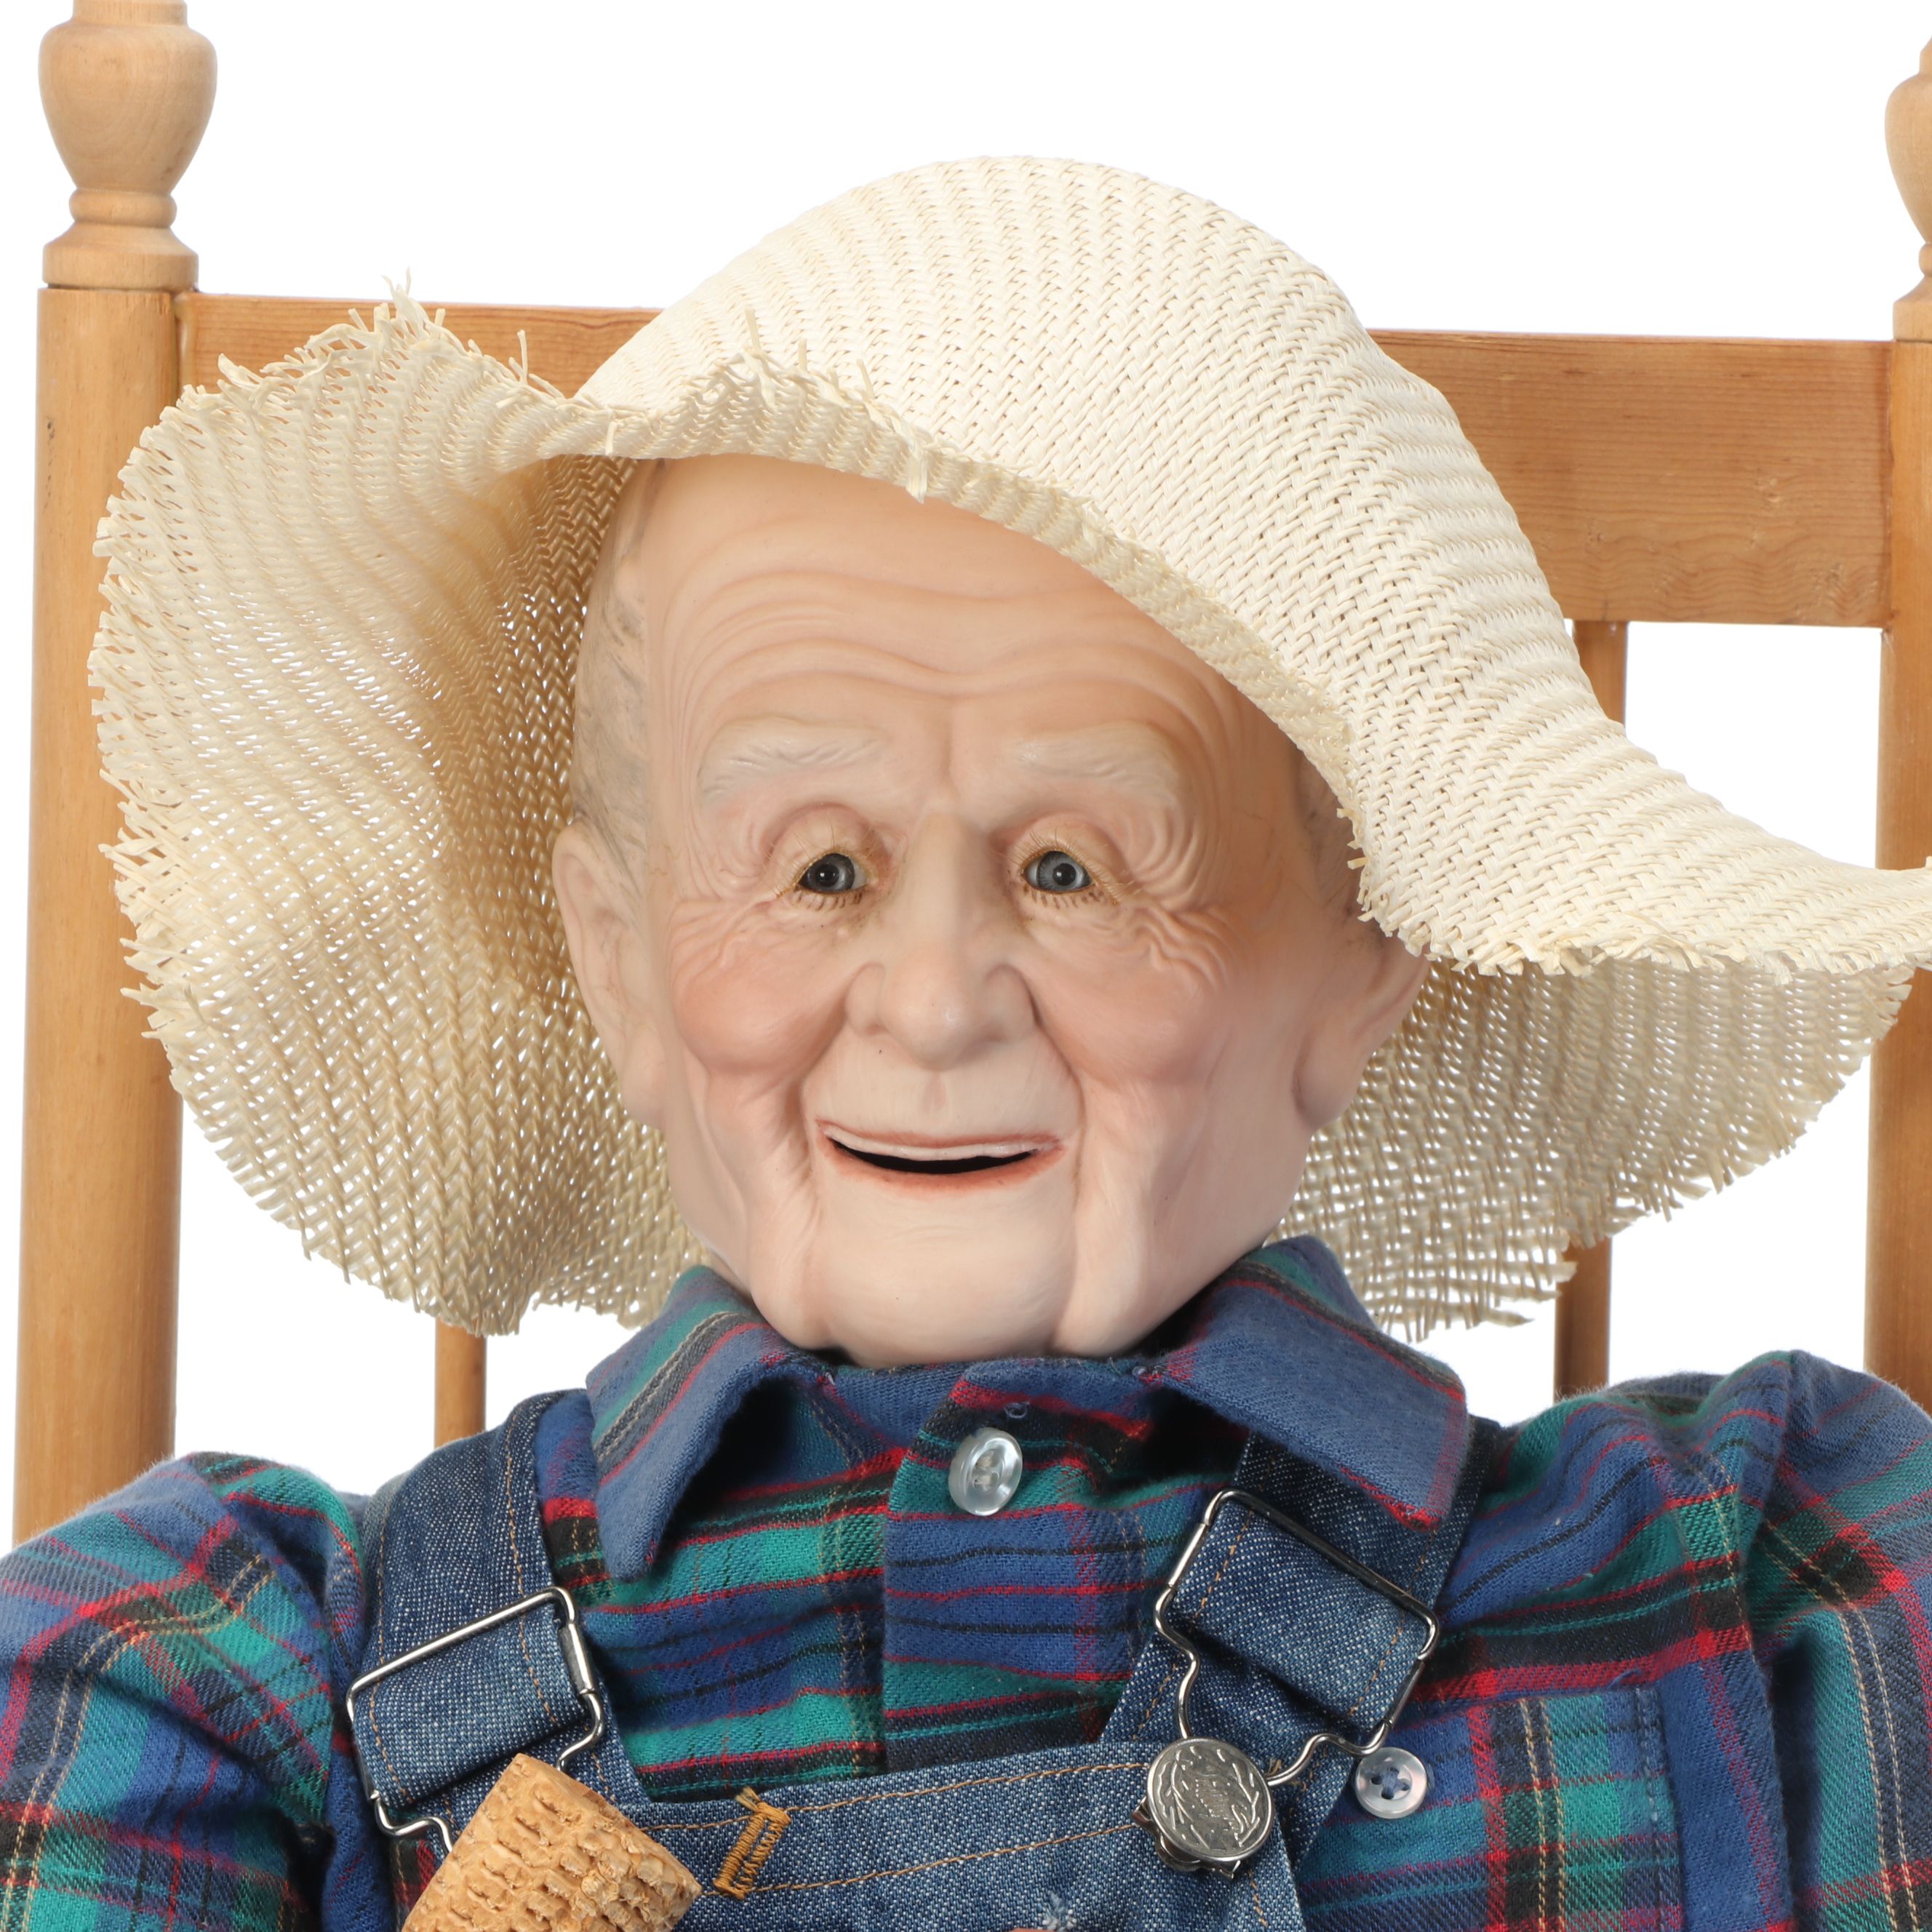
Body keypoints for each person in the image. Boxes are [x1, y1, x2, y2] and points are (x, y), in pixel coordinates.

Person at [4, 156, 1932, 1931]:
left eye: (1078, 869)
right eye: (823, 869)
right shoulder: (223, 1668)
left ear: (1365, 970)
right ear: (617, 964)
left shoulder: (1762, 1578)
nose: (933, 1001)